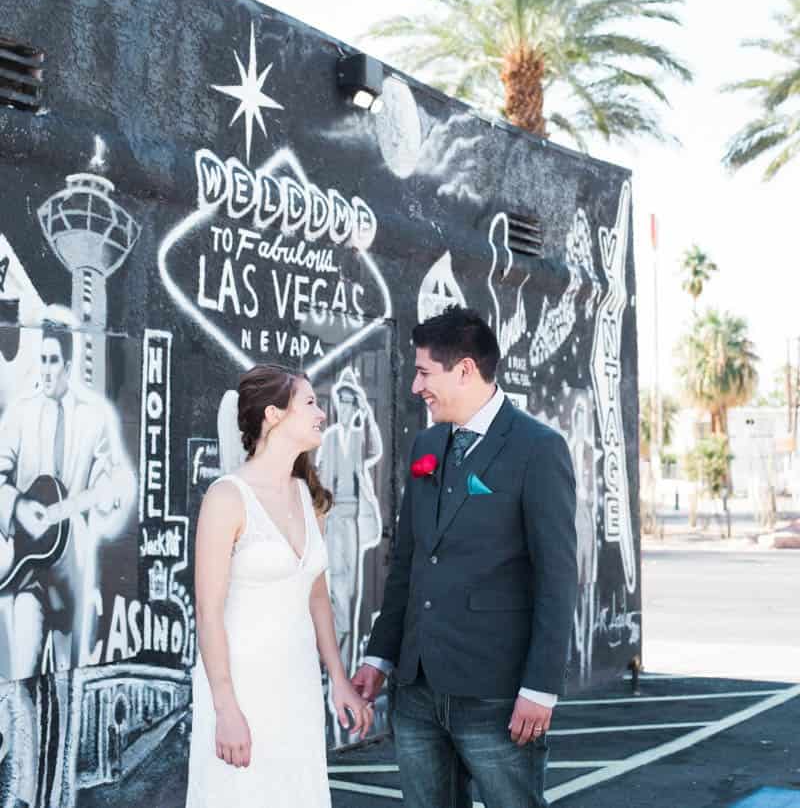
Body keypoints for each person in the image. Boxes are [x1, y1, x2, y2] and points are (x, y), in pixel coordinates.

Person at [352, 306, 578, 808]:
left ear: (465, 370)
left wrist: (541, 688)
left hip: (496, 692)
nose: (416, 387)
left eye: (423, 372)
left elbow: (558, 578)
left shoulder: (538, 449)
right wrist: (379, 655)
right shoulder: (427, 445)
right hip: (416, 689)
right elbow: (408, 562)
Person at [187, 364, 373, 808]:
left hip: (299, 687)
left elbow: (317, 597)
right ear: (273, 414)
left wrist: (340, 680)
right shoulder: (226, 498)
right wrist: (226, 709)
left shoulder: (310, 500)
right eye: (310, 402)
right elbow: (208, 614)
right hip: (241, 688)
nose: (322, 413)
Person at [0, 319, 133, 679]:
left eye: (53, 360)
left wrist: (108, 493)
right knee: (21, 676)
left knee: (69, 672)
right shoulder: (20, 416)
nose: (45, 369)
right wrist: (17, 507)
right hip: (28, 568)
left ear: (69, 367)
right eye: (41, 359)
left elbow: (108, 477)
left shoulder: (94, 419)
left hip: (72, 562)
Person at [316, 366, 383, 679]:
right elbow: (318, 481)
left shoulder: (358, 436)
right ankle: (334, 665)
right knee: (335, 591)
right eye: (341, 402)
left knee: (350, 593)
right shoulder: (328, 439)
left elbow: (375, 449)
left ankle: (343, 663)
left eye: (350, 403)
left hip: (353, 520)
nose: (344, 408)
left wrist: (367, 413)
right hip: (333, 520)